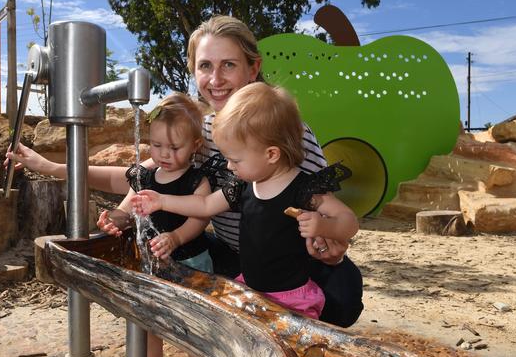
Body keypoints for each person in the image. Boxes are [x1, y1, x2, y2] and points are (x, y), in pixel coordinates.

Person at [5, 15, 361, 327]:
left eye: (229, 65)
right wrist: (53, 167)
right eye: (205, 65)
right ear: (193, 71)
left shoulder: (288, 131)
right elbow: (135, 177)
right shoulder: (202, 132)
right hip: (236, 259)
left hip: (289, 266)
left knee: (339, 298)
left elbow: (326, 213)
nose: (215, 78)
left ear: (253, 69)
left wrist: (331, 241)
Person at [131, 83, 359, 319]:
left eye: (235, 160)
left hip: (291, 297)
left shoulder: (303, 189)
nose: (229, 166)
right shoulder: (243, 185)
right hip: (251, 290)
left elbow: (349, 221)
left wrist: (324, 227)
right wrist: (161, 201)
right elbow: (205, 205)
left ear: (271, 154)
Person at [98, 93, 210, 357]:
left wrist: (176, 237)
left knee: (191, 324)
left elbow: (200, 218)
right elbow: (131, 211)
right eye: (157, 145)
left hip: (190, 260)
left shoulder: (196, 180)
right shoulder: (146, 177)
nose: (164, 154)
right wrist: (114, 220)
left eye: (174, 147)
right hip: (150, 263)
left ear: (195, 145)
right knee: (149, 321)